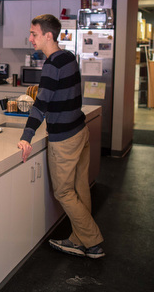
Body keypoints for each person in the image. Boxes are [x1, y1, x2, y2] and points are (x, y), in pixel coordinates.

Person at [17, 14, 105, 259]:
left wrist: (27, 136)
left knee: (64, 193)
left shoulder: (52, 65)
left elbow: (40, 105)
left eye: (34, 34)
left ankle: (93, 241)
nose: (30, 38)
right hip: (80, 130)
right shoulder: (68, 57)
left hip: (65, 138)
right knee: (79, 187)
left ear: (48, 35)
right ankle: (79, 239)